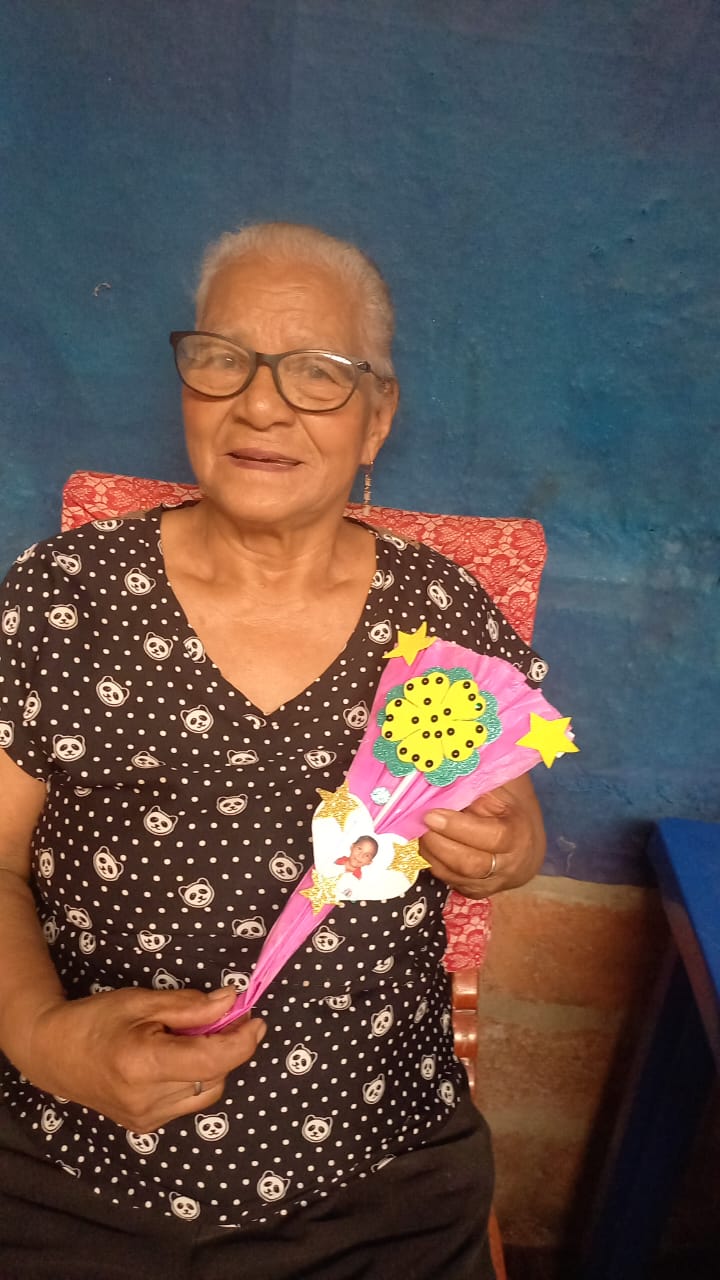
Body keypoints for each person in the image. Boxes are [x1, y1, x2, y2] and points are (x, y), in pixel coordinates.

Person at [0, 222, 547, 1278]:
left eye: (319, 372)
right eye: (223, 359)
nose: (260, 403)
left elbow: (506, 809)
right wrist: (42, 1039)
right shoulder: (64, 594)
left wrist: (509, 847)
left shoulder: (442, 613)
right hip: (68, 1174)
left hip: (379, 1183)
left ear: (378, 416)